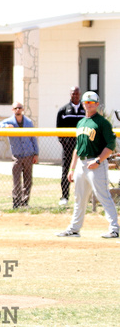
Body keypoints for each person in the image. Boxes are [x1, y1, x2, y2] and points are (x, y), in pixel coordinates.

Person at [57, 91, 119, 238]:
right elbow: (77, 148)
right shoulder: (81, 122)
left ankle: (114, 229)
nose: (87, 104)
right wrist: (72, 168)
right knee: (79, 197)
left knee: (103, 196)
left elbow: (111, 145)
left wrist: (98, 160)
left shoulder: (102, 122)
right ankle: (74, 229)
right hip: (81, 164)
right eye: (86, 102)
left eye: (91, 102)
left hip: (96, 163)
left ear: (97, 104)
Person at [0, 102, 39, 208]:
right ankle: (16, 202)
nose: (18, 110)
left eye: (20, 108)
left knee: (28, 180)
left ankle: (25, 202)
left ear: (23, 109)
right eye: (15, 108)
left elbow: (33, 138)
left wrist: (36, 153)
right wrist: (5, 126)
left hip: (28, 154)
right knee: (16, 181)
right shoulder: (9, 121)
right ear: (12, 110)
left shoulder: (28, 122)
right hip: (17, 155)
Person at [56, 86, 85, 206]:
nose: (75, 96)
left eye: (77, 94)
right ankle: (65, 197)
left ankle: (83, 197)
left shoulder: (85, 110)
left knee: (84, 171)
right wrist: (66, 143)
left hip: (83, 147)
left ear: (80, 94)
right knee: (66, 171)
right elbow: (58, 130)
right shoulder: (63, 111)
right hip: (68, 148)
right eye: (73, 94)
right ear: (70, 94)